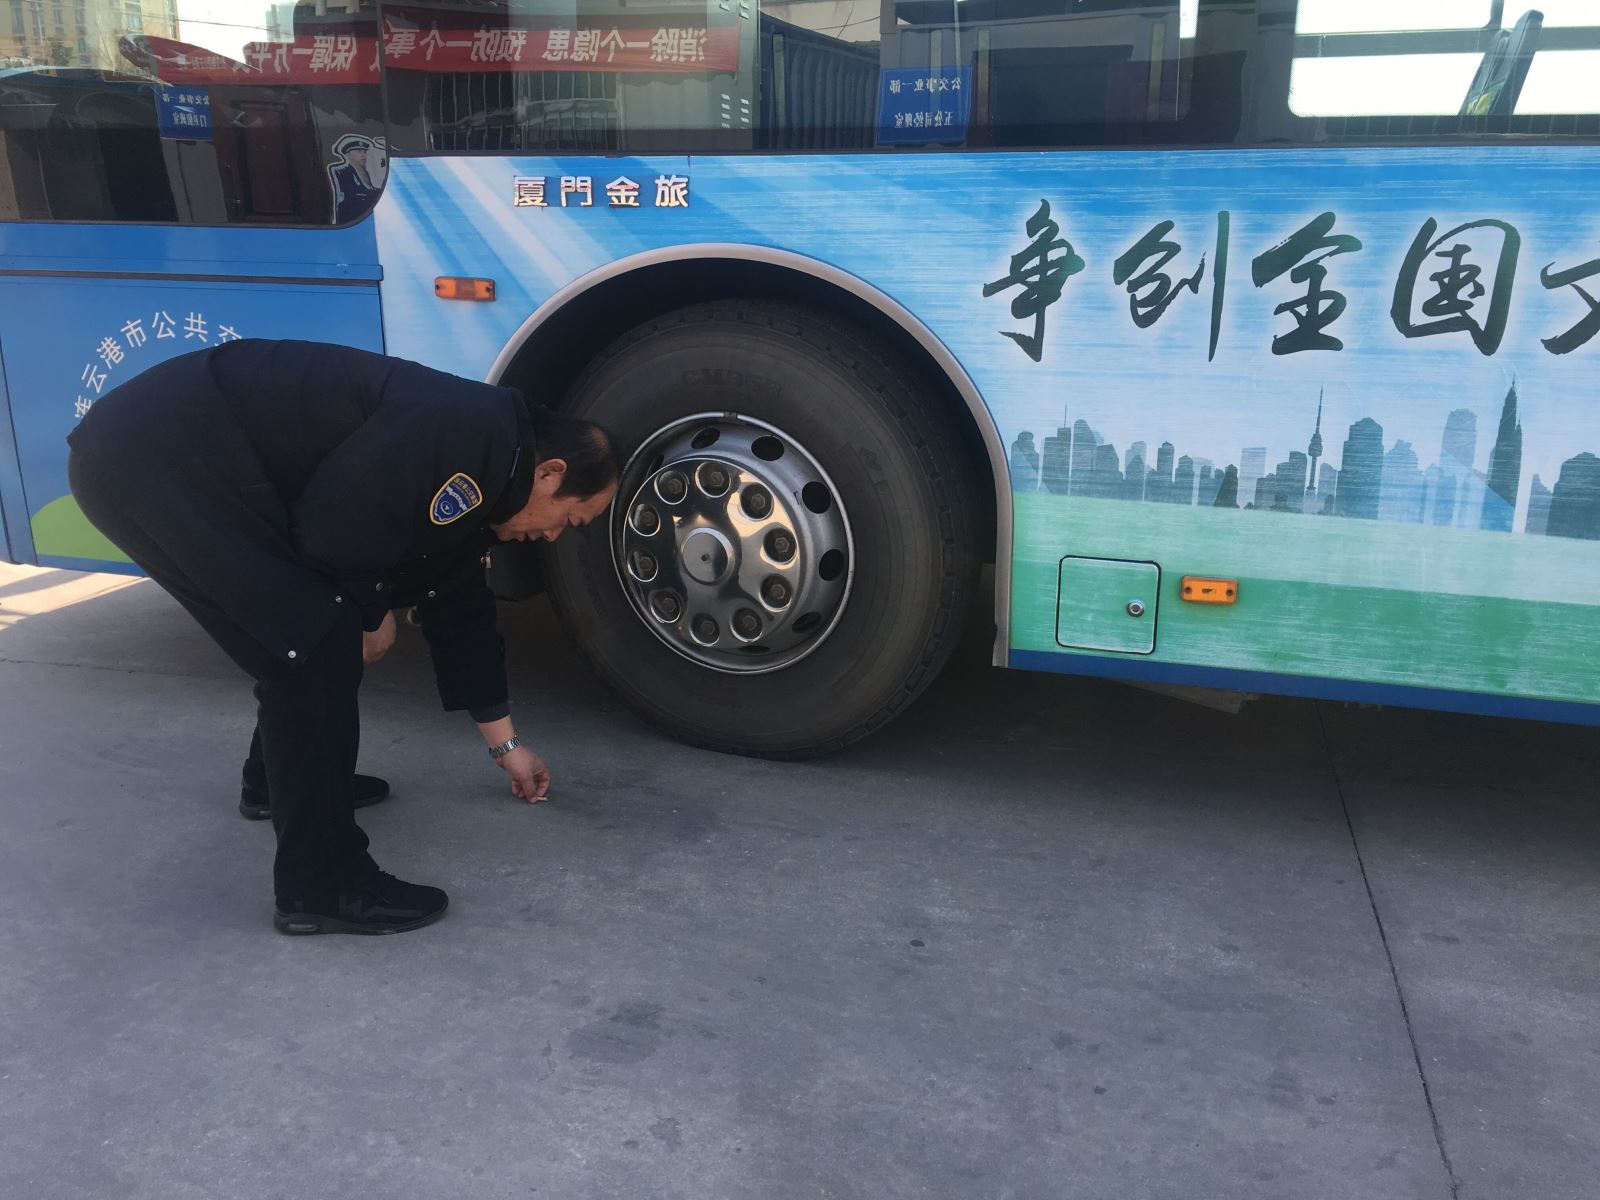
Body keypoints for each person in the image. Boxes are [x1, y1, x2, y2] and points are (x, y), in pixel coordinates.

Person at [66, 340, 618, 936]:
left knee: (303, 637)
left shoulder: (492, 465)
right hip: (151, 455)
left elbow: (460, 607)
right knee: (316, 639)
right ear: (550, 473)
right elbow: (334, 526)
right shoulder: (466, 434)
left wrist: (507, 747)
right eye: (570, 519)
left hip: (162, 456)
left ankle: (275, 785)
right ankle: (321, 885)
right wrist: (370, 614)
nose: (555, 536)